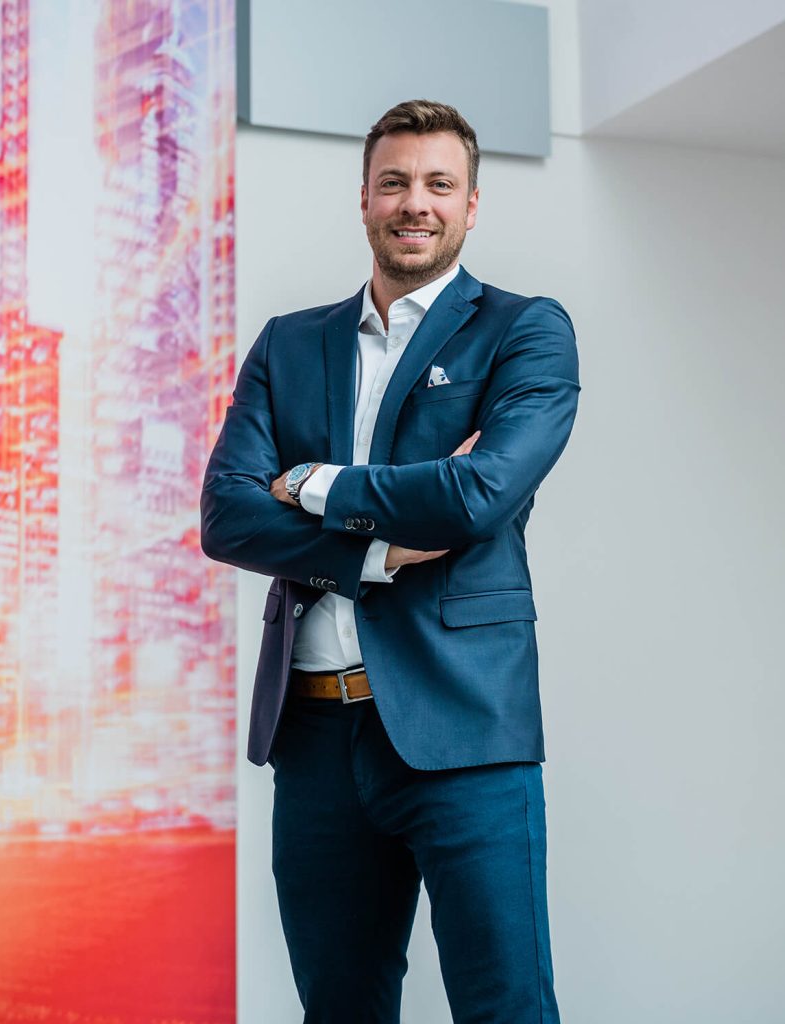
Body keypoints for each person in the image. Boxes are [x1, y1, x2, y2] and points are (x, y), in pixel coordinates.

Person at [201, 99, 579, 1023]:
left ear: (473, 204)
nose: (417, 202)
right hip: (317, 740)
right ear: (364, 198)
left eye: (439, 185)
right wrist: (378, 551)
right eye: (397, 182)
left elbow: (479, 495)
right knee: (339, 1009)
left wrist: (319, 485)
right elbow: (226, 516)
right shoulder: (290, 343)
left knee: (506, 1008)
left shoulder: (526, 332)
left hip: (464, 735)